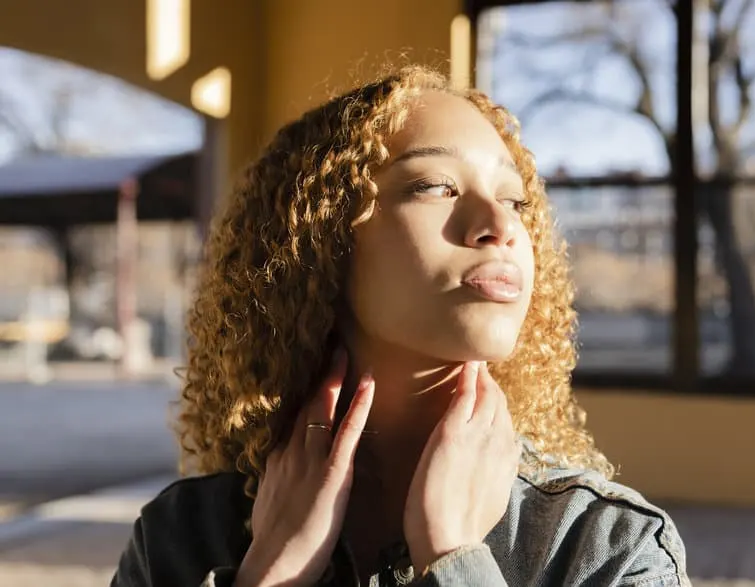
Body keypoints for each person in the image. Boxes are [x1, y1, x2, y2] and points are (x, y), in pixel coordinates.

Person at [112, 65, 690, 587]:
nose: (500, 226)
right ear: (318, 243)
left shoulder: (608, 548)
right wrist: (271, 574)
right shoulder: (179, 538)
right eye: (435, 186)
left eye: (514, 200)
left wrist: (456, 558)